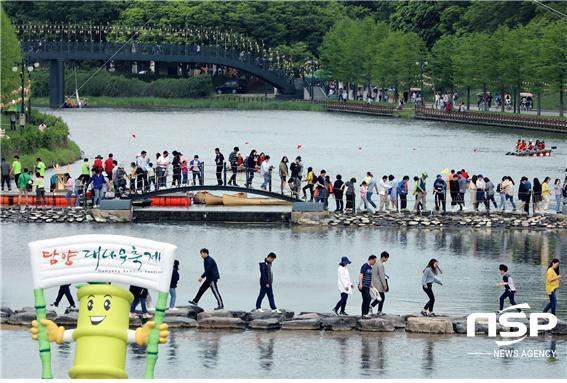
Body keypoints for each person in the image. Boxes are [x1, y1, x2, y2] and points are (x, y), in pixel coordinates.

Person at [370, 251, 389, 316]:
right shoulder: (380, 265)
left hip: (374, 282)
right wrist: (385, 285)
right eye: (386, 258)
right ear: (383, 257)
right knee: (381, 297)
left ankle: (378, 310)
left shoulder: (376, 263)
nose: (387, 260)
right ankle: (372, 307)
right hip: (378, 284)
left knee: (380, 297)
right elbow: (382, 276)